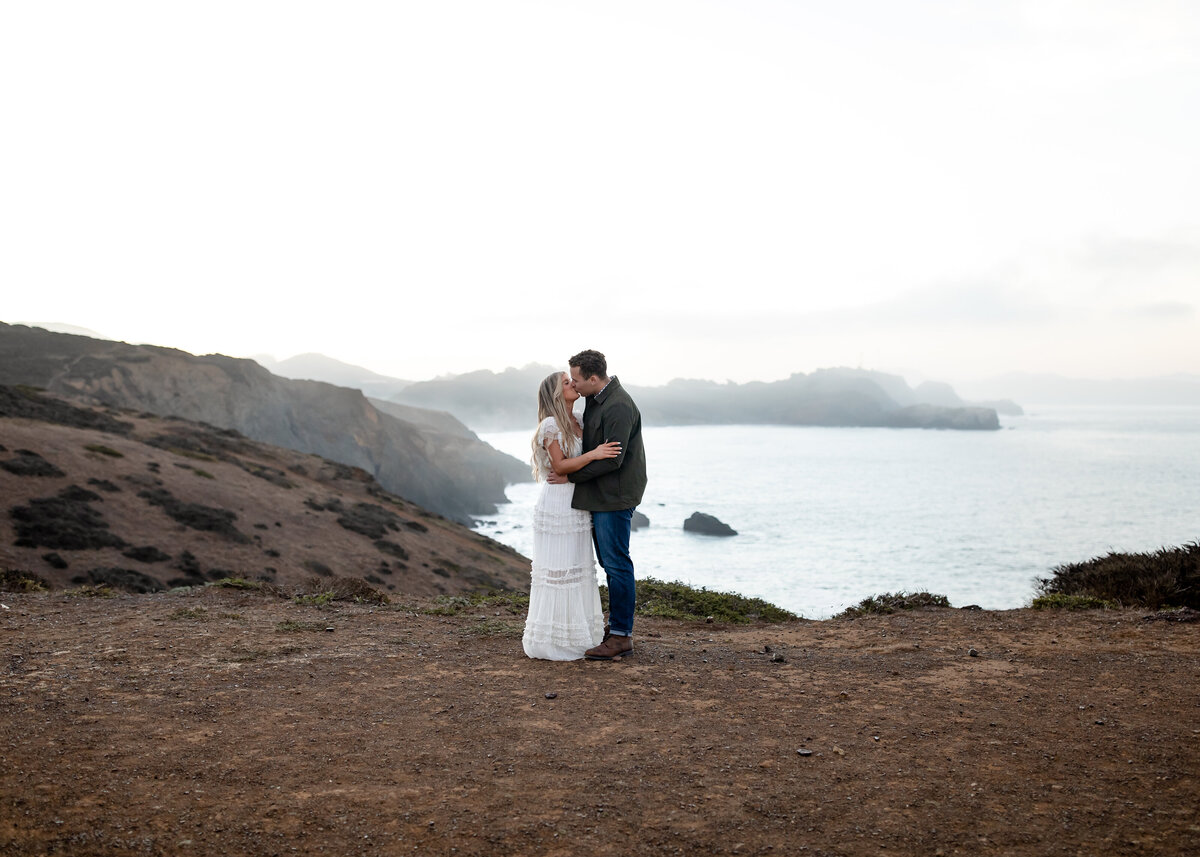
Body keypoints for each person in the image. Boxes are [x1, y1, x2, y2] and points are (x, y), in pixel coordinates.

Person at [522, 371, 622, 660]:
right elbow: (560, 466)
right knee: (558, 569)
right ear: (555, 394)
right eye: (566, 383)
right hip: (557, 503)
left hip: (578, 501)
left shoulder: (578, 419)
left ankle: (579, 636)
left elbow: (570, 471)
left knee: (578, 568)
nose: (572, 384)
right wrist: (594, 455)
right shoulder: (550, 425)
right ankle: (553, 641)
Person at [566, 349, 647, 660]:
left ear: (594, 378)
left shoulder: (619, 406)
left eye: (577, 380)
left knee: (616, 563)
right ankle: (615, 629)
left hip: (615, 495)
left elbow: (612, 460)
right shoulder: (596, 399)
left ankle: (621, 636)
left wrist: (571, 475)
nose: (574, 385)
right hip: (602, 494)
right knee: (610, 563)